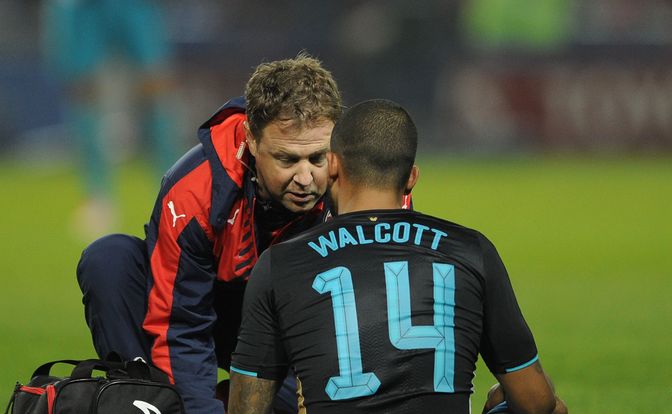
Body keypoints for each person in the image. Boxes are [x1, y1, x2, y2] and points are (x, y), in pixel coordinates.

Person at [78, 55, 409, 414]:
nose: (305, 178)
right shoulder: (194, 190)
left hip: (303, 326)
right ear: (251, 140)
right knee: (109, 262)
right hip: (215, 306)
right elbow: (181, 328)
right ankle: (150, 401)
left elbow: (387, 315)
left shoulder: (368, 182)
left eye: (317, 158)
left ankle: (237, 399)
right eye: (286, 160)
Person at [229, 99, 568, 414]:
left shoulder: (281, 263)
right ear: (411, 179)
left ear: (332, 166)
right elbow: (536, 403)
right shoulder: (471, 251)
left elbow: (246, 408)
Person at [42, 0, 180, 238]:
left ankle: (176, 191)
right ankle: (97, 197)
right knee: (84, 91)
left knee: (155, 88)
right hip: (83, 8)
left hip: (134, 6)